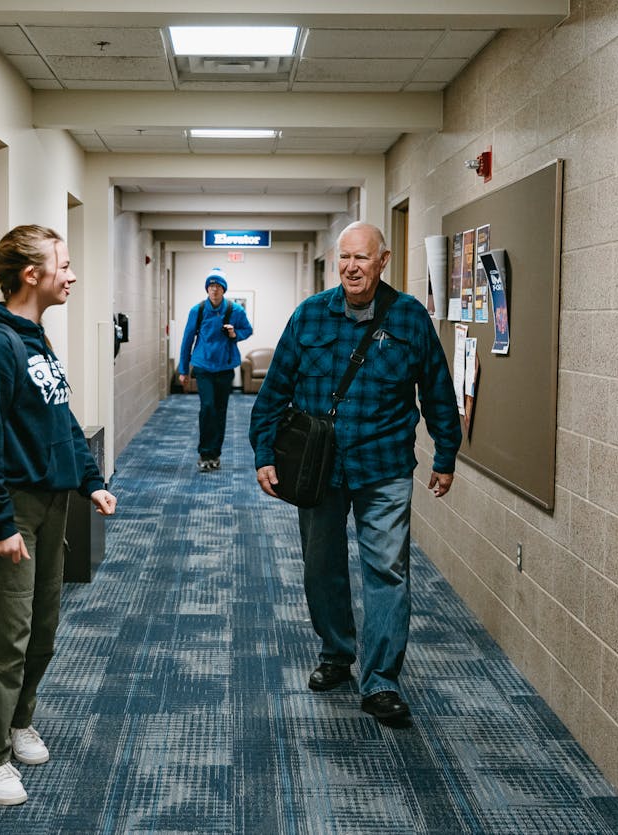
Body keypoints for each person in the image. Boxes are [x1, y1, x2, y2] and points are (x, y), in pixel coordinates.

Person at [249, 221, 461, 727]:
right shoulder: (310, 317)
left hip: (383, 466)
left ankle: (382, 680)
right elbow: (274, 391)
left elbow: (437, 392)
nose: (351, 267)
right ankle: (336, 654)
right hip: (317, 470)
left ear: (383, 261)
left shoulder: (409, 319)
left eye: (362, 258)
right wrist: (264, 453)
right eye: (344, 257)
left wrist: (446, 455)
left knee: (387, 571)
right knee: (321, 566)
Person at [0, 224, 118, 805]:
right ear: (33, 274)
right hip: (13, 509)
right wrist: (0, 525)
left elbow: (60, 421)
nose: (71, 275)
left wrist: (91, 481)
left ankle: (18, 720)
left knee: (42, 629)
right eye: (64, 265)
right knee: (5, 635)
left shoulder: (34, 337)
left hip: (52, 505)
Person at [177, 268, 254, 472]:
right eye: (211, 286)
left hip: (225, 366)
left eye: (218, 286)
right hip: (203, 365)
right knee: (208, 407)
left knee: (220, 411)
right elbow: (187, 340)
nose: (214, 290)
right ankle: (204, 452)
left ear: (223, 290)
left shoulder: (235, 310)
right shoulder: (198, 310)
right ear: (207, 289)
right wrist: (183, 369)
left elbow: (248, 330)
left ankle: (215, 454)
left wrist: (234, 333)